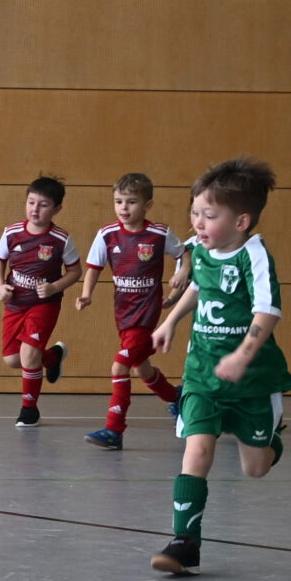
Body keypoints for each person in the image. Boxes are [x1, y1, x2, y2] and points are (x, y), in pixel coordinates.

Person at [148, 158, 291, 576]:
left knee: (256, 468)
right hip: (202, 374)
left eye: (209, 215)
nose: (198, 222)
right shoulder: (200, 250)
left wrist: (242, 355)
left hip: (251, 380)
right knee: (197, 450)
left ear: (241, 221)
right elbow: (199, 286)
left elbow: (267, 311)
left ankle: (271, 438)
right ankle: (185, 542)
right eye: (195, 212)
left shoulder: (255, 256)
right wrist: (170, 321)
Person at [75, 172, 188, 450]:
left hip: (146, 317)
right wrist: (86, 294)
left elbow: (185, 253)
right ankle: (176, 398)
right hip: (123, 316)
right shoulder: (107, 234)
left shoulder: (159, 234)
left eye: (131, 202)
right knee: (142, 368)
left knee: (120, 365)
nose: (124, 207)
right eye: (119, 201)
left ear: (147, 205)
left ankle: (114, 430)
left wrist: (182, 272)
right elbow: (94, 267)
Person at [0, 174, 76, 428]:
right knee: (12, 359)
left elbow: (75, 271)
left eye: (43, 205)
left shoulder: (61, 239)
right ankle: (52, 357)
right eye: (31, 202)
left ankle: (29, 410)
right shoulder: (12, 233)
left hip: (44, 305)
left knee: (29, 355)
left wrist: (54, 287)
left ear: (57, 209)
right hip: (16, 304)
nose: (35, 209)